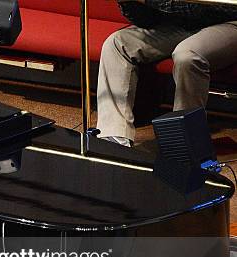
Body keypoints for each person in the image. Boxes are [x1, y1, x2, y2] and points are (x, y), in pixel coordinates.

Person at [96, 0, 237, 147]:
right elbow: (147, 20)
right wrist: (129, 3)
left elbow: (199, 8)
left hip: (227, 20)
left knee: (187, 56)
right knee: (117, 43)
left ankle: (184, 144)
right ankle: (114, 139)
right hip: (181, 25)